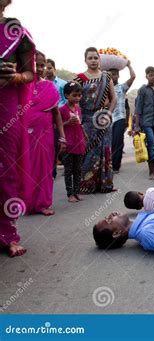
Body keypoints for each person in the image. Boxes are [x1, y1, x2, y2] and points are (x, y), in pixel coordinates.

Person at [0, 0, 35, 257]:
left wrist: (15, 77)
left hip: (6, 105)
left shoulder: (14, 30)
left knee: (5, 167)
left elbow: (29, 74)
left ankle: (8, 235)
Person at [25, 51, 66, 216]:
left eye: (42, 65)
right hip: (24, 133)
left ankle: (42, 203)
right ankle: (25, 203)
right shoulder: (21, 85)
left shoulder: (49, 86)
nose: (40, 68)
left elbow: (56, 114)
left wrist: (62, 136)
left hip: (45, 133)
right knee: (25, 167)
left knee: (44, 167)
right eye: (36, 64)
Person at [75, 47, 117, 194]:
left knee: (105, 150)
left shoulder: (106, 76)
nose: (93, 60)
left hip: (103, 119)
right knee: (89, 151)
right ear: (85, 60)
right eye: (90, 58)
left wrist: (109, 113)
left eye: (95, 58)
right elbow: (74, 101)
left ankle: (105, 184)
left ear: (99, 60)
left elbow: (114, 99)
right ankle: (86, 184)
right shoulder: (79, 79)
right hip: (86, 121)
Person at [135, 66, 154, 180]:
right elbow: (138, 107)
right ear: (146, 76)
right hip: (146, 122)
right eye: (150, 75)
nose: (152, 77)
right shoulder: (143, 89)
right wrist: (137, 125)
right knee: (151, 144)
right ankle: (151, 172)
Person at [60, 81, 87, 203]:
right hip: (68, 144)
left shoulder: (78, 109)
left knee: (78, 169)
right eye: (74, 95)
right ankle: (70, 193)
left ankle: (77, 191)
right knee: (68, 170)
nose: (77, 98)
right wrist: (67, 123)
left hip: (79, 142)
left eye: (79, 95)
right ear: (66, 95)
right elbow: (57, 125)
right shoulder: (61, 110)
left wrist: (85, 136)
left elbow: (80, 124)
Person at [109, 61, 136, 173]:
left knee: (118, 142)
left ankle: (115, 166)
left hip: (119, 118)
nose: (112, 76)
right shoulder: (104, 89)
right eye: (109, 74)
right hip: (108, 119)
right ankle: (108, 164)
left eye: (114, 74)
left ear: (118, 75)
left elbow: (133, 76)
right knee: (109, 143)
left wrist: (129, 65)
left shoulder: (122, 87)